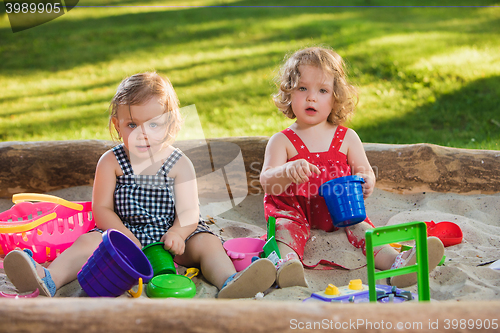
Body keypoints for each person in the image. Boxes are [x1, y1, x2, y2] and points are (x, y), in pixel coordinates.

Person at [4, 72, 276, 298]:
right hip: (120, 236)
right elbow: (101, 209)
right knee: (87, 242)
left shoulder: (179, 164)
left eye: (154, 124)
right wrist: (123, 235)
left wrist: (179, 234)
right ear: (117, 125)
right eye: (132, 124)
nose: (143, 135)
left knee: (208, 244)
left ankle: (229, 281)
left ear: (171, 125)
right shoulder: (111, 162)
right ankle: (49, 278)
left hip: (171, 239)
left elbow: (190, 214)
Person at [259, 46, 444, 288]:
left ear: (335, 97)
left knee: (365, 231)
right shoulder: (282, 141)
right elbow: (266, 180)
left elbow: (364, 170)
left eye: (322, 90)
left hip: (341, 212)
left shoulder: (346, 138)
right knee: (285, 231)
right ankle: (288, 266)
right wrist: (285, 172)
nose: (311, 97)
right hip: (295, 211)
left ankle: (398, 263)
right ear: (288, 93)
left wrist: (367, 181)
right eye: (302, 88)